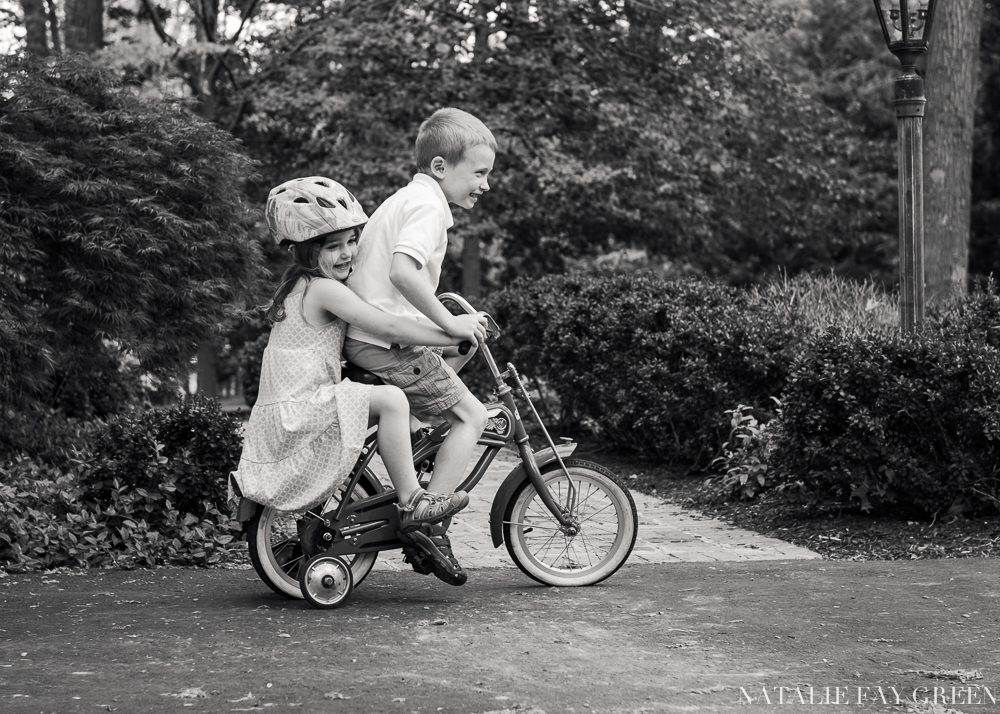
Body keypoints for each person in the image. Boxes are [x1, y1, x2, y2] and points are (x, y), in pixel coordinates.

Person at [230, 176, 471, 538]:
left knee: (399, 391)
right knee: (391, 400)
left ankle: (413, 433)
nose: (347, 253)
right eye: (332, 247)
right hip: (302, 409)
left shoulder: (300, 285)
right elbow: (388, 328)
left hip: (295, 408)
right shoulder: (325, 290)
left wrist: (448, 342)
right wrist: (452, 329)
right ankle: (414, 500)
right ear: (304, 250)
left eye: (352, 241)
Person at [344, 107, 496, 586]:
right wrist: (451, 321)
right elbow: (403, 273)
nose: (485, 185)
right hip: (386, 345)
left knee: (453, 362)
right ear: (439, 167)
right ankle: (425, 517)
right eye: (479, 173)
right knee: (472, 415)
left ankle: (416, 456)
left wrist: (451, 328)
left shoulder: (405, 200)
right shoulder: (430, 208)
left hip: (375, 339)